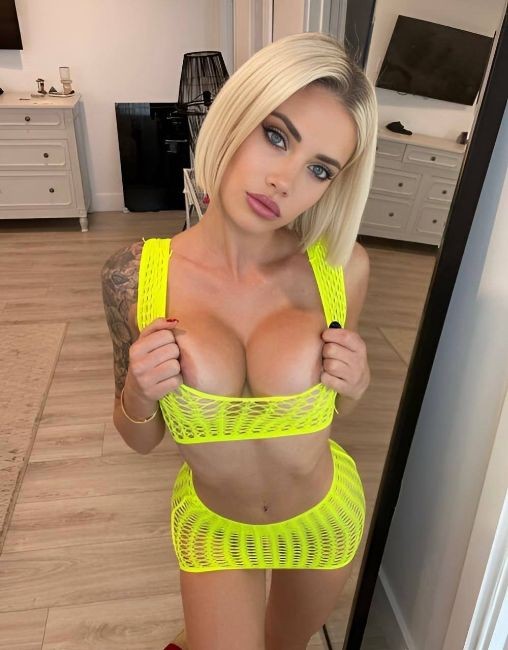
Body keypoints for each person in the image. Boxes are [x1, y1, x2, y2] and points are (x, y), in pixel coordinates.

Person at [102, 31, 377, 650]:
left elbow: (332, 413)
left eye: (319, 169)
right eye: (276, 136)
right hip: (217, 529)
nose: (284, 181)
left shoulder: (342, 269)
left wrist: (357, 385)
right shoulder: (134, 276)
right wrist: (139, 394)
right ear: (236, 118)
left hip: (323, 519)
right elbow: (139, 439)